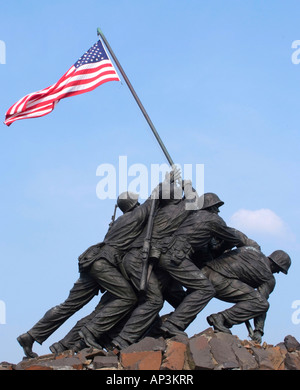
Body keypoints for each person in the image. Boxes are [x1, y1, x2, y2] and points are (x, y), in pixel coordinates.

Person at [17, 175, 168, 358]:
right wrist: (169, 180)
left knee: (68, 306)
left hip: (93, 261)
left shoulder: (118, 222)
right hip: (104, 264)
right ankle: (90, 332)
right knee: (128, 297)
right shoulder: (135, 216)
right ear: (134, 204)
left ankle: (31, 335)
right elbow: (154, 199)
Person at [109, 178, 199, 349]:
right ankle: (123, 340)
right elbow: (193, 201)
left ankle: (156, 329)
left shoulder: (154, 213)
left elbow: (153, 198)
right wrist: (187, 185)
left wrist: (167, 182)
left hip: (141, 259)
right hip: (139, 259)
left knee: (173, 296)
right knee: (154, 300)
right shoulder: (173, 211)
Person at [156, 193, 255, 337]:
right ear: (210, 207)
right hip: (175, 255)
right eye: (216, 207)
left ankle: (163, 326)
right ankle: (173, 325)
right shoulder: (213, 219)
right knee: (206, 289)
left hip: (165, 253)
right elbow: (233, 238)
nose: (218, 211)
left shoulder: (192, 217)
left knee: (186, 298)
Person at [203, 247, 291, 342]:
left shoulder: (251, 250)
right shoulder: (269, 278)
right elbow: (260, 303)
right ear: (275, 265)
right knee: (261, 303)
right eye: (279, 270)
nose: (277, 272)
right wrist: (259, 330)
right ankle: (221, 318)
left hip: (203, 272)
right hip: (219, 281)